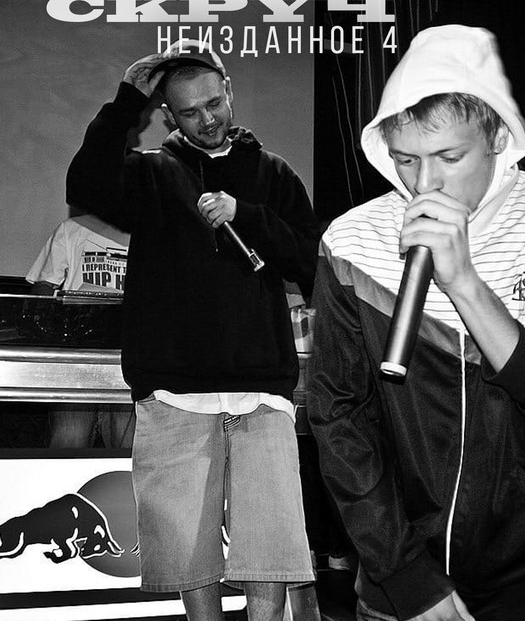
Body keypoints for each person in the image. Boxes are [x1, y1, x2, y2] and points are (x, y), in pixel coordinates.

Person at [307, 25, 525, 621]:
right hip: (399, 588)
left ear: (498, 136)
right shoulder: (353, 240)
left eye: (449, 158)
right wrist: (405, 576)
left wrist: (465, 283)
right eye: (405, 160)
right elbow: (339, 417)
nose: (424, 183)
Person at [66, 40, 319, 621]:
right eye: (188, 111)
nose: (207, 119)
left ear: (229, 90)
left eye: (213, 103)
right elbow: (85, 184)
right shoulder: (151, 172)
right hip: (174, 386)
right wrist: (125, 99)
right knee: (186, 543)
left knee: (271, 540)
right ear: (166, 115)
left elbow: (310, 261)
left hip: (260, 386)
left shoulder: (273, 172)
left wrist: (246, 215)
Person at [26, 214, 134, 448]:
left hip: (126, 363)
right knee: (68, 443)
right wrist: (48, 314)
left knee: (127, 452)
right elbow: (44, 285)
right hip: (77, 362)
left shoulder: (149, 231)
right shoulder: (71, 228)